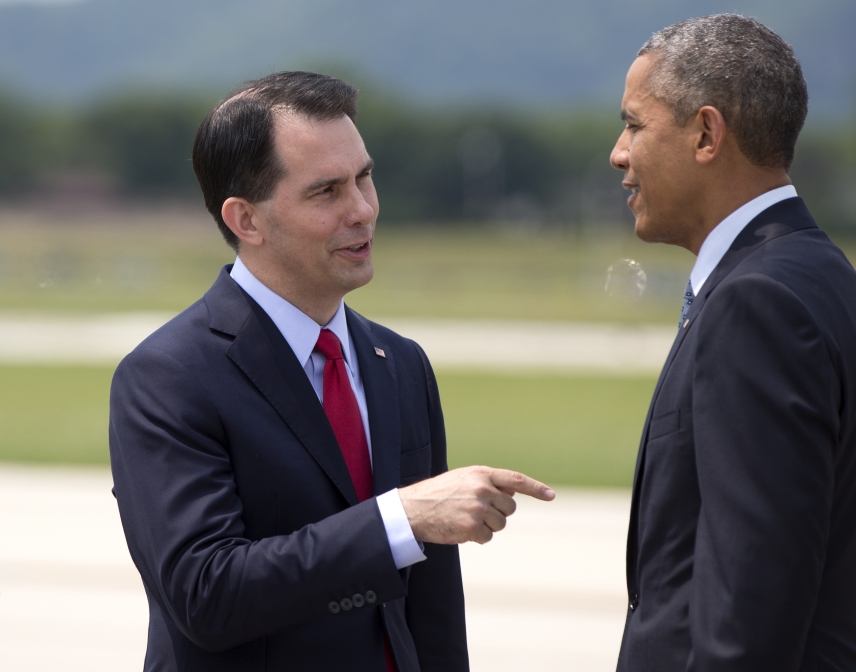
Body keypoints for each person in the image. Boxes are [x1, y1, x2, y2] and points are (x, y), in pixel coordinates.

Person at [108, 71, 555, 672]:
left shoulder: (400, 362)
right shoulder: (167, 376)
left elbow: (432, 607)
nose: (363, 210)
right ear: (246, 220)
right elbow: (206, 594)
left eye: (364, 178)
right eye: (326, 192)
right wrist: (399, 517)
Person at [609, 15, 856, 671]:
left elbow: (749, 618)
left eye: (634, 124)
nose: (618, 153)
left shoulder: (756, 304)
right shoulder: (827, 278)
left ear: (707, 134)